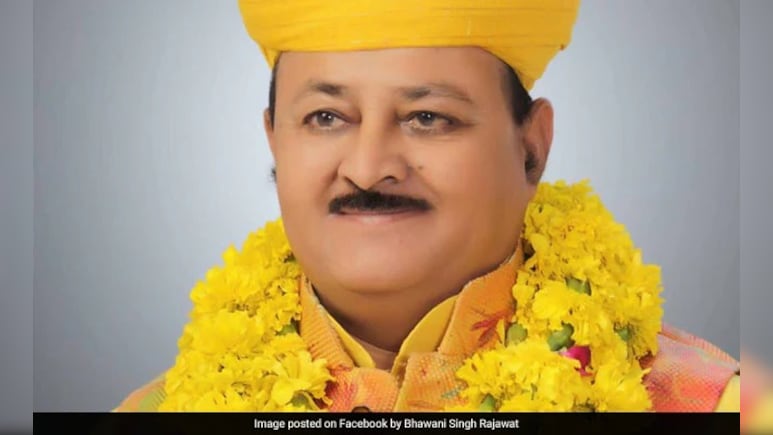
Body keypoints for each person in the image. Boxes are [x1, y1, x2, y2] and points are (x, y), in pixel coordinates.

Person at [115, 0, 750, 416]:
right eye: (326, 117)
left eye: (427, 117)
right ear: (274, 142)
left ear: (531, 149)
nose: (368, 167)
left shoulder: (714, 408)